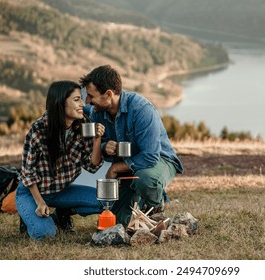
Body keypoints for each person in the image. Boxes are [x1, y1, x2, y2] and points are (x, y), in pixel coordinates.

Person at [80, 65, 184, 226]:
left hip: (159, 159)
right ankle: (140, 200)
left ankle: (155, 208)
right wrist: (105, 146)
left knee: (146, 179)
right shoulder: (97, 112)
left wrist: (115, 168)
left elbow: (150, 156)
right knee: (120, 222)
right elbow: (100, 144)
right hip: (129, 165)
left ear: (108, 94)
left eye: (91, 96)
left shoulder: (141, 109)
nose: (87, 101)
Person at [16, 80, 105, 240]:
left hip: (61, 191)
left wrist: (97, 139)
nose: (82, 104)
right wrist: (40, 202)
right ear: (60, 102)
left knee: (105, 201)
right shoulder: (39, 129)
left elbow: (92, 165)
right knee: (45, 235)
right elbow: (28, 173)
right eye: (77, 99)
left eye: (82, 99)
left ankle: (61, 213)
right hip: (33, 193)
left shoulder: (83, 125)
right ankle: (30, 217)